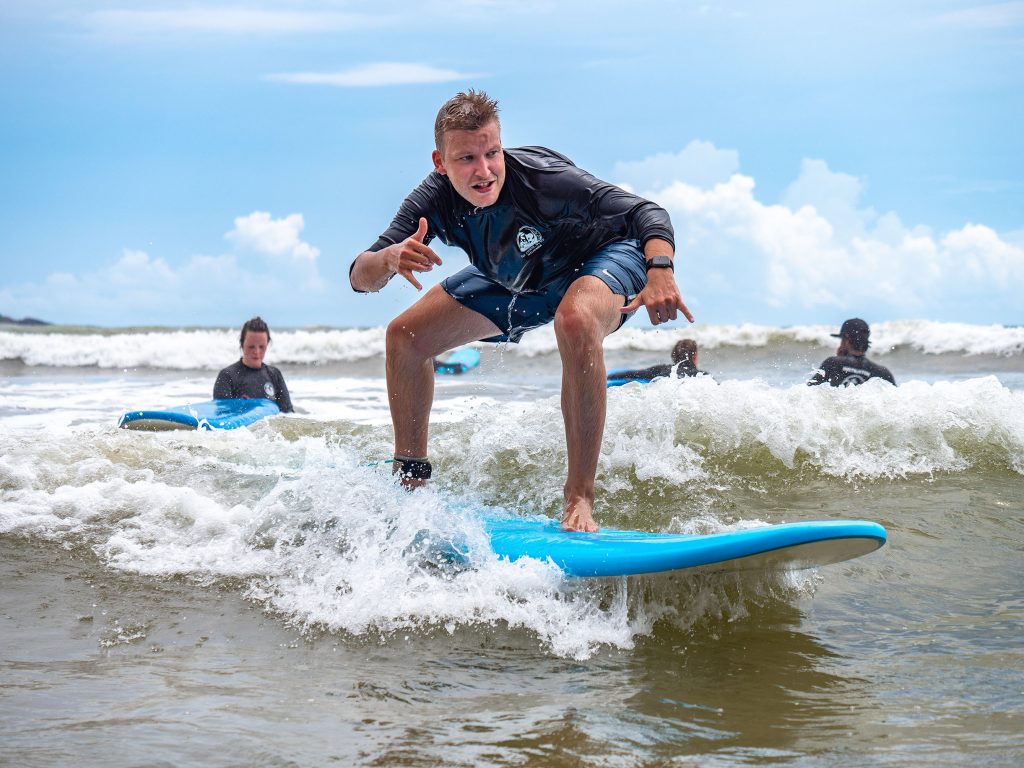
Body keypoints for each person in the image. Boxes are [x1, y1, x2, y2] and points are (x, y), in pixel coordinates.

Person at [349, 90, 693, 532]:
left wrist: (660, 268)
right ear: (441, 162)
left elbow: (647, 212)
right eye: (467, 158)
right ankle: (411, 484)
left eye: (492, 153)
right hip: (523, 279)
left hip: (606, 257)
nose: (484, 170)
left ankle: (579, 499)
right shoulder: (431, 201)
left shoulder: (543, 180)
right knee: (405, 336)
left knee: (575, 318)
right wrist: (389, 259)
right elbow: (361, 276)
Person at [213, 316, 294, 412]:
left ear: (267, 345)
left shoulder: (275, 375)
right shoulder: (227, 376)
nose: (257, 351)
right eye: (251, 347)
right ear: (242, 344)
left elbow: (288, 414)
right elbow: (221, 418)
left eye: (262, 347)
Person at [808, 318, 895, 387]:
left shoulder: (832, 363)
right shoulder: (882, 372)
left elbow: (809, 393)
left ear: (846, 339)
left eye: (841, 340)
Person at [607, 338, 705, 382]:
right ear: (695, 356)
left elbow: (633, 373)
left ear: (673, 356)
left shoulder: (662, 370)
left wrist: (608, 376)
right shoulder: (704, 377)